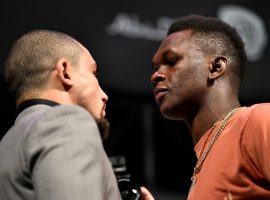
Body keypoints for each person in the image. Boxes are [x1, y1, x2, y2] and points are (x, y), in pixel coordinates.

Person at [151, 14, 270, 199]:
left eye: (172, 61)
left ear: (216, 67)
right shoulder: (202, 166)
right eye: (155, 67)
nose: (156, 75)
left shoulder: (259, 120)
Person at [0, 30, 121, 200]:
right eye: (94, 73)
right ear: (65, 72)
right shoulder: (66, 124)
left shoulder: (6, 143)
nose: (104, 95)